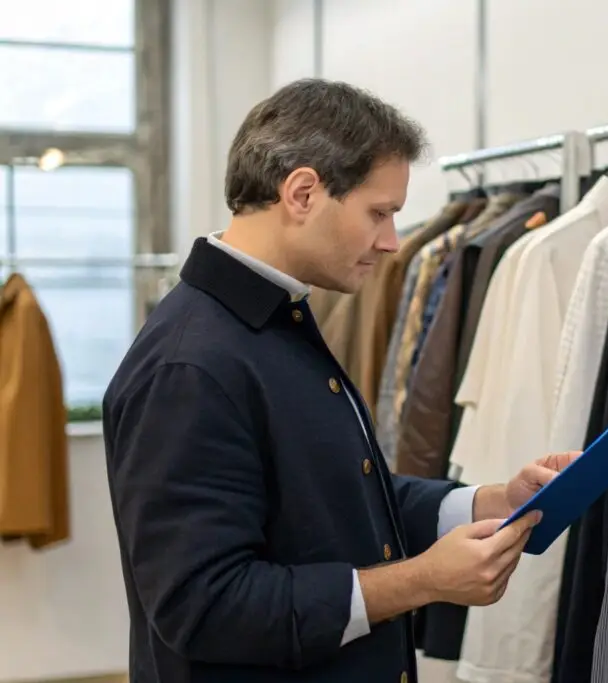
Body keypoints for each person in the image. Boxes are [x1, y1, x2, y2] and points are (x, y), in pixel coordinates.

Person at [102, 79, 577, 683]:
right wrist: (422, 580)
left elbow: (338, 496)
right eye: (379, 213)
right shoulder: (190, 365)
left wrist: (489, 502)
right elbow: (205, 606)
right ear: (302, 192)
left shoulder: (273, 322)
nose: (392, 242)